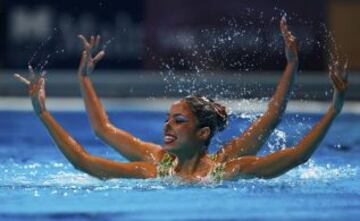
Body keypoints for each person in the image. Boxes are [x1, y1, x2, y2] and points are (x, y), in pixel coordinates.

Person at [14, 17, 348, 182]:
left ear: (204, 133)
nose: (167, 126)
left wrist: (328, 104)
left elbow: (295, 152)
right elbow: (93, 147)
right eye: (168, 118)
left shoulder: (228, 169)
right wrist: (49, 107)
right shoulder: (155, 165)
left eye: (179, 120)